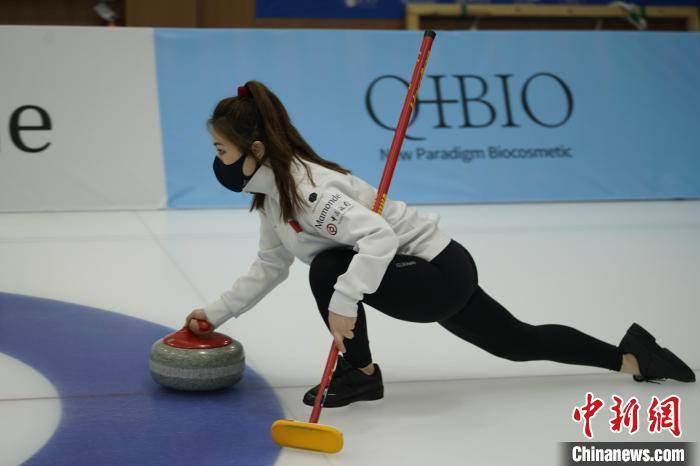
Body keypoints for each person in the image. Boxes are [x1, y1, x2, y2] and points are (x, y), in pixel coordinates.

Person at [185, 81, 695, 408]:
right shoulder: (274, 197)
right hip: (430, 270)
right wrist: (215, 314)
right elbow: (271, 265)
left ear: (253, 150)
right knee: (516, 342)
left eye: (221, 149)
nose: (218, 161)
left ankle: (360, 374)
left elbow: (379, 237)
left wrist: (344, 302)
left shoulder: (309, 192)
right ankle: (632, 357)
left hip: (433, 272)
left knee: (329, 270)